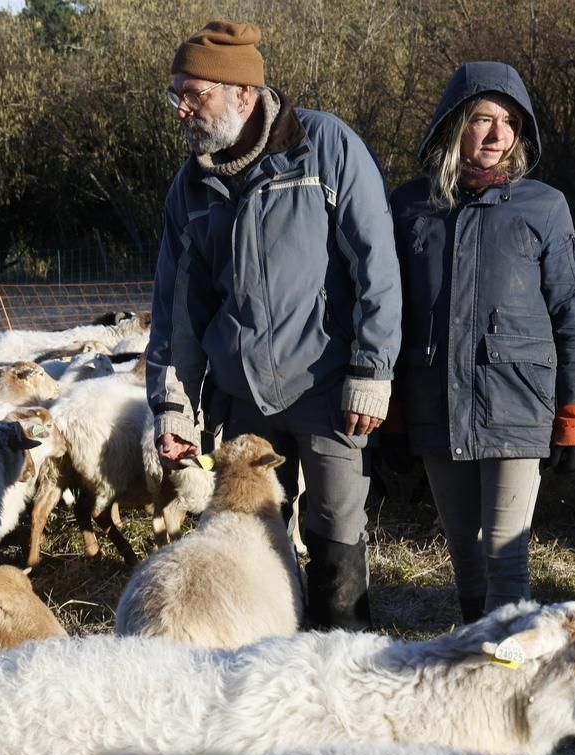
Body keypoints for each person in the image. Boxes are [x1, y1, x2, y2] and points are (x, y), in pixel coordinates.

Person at [145, 20, 402, 631]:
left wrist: (372, 370)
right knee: (251, 530)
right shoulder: (193, 185)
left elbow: (376, 266)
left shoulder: (326, 147)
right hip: (241, 394)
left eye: (194, 93)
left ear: (242, 92)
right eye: (176, 94)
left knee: (335, 526)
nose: (181, 108)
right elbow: (179, 307)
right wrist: (174, 407)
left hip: (327, 383)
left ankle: (339, 652)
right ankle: (265, 654)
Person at [387, 61, 575, 622]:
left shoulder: (543, 206)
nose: (498, 134)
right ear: (454, 124)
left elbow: (572, 317)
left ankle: (505, 663)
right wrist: (395, 415)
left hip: (517, 403)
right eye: (483, 119)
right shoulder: (409, 207)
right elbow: (391, 315)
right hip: (436, 403)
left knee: (506, 559)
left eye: (510, 122)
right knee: (464, 557)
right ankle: (478, 656)